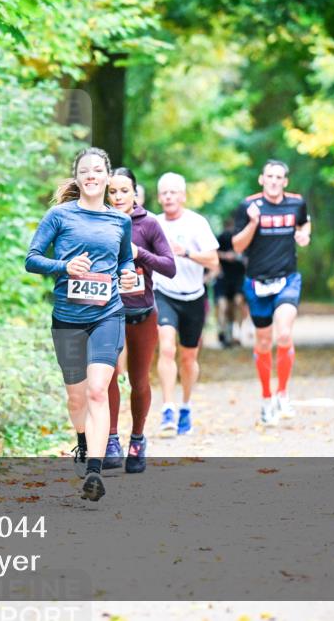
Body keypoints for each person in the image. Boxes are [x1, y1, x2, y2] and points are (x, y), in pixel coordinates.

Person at [25, 147, 138, 501]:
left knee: (97, 391)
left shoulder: (120, 221)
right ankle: (82, 442)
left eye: (97, 170)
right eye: (84, 171)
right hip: (68, 317)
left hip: (108, 314)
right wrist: (64, 267)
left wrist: (129, 276)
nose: (91, 176)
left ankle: (94, 470)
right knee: (76, 400)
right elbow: (32, 259)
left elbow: (126, 262)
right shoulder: (60, 216)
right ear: (78, 178)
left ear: (107, 177)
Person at [104, 168, 176, 473]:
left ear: (135, 193)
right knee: (107, 374)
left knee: (139, 380)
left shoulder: (148, 224)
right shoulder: (97, 222)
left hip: (142, 314)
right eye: (113, 192)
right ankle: (109, 440)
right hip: (107, 313)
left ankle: (137, 438)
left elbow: (170, 266)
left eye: (124, 191)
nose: (119, 197)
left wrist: (139, 254)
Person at [232, 159, 311, 427]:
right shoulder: (248, 206)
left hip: (288, 278)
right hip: (257, 283)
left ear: (286, 182)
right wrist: (253, 223)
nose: (274, 181)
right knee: (264, 343)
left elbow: (304, 223)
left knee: (285, 333)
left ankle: (283, 393)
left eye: (279, 177)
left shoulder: (296, 203)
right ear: (261, 179)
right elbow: (237, 246)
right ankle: (267, 398)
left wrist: (304, 235)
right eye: (270, 176)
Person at [151, 172, 220, 436]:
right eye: (164, 193)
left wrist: (186, 253)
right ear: (159, 198)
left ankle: (186, 406)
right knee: (166, 348)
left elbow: (214, 261)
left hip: (193, 296)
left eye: (173, 192)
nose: (168, 197)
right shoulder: (153, 224)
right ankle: (167, 407)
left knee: (188, 357)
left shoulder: (196, 223)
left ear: (183, 196)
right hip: (164, 293)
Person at [214, 216, 248, 348]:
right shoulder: (221, 238)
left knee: (238, 303)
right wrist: (225, 256)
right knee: (223, 306)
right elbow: (213, 253)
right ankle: (223, 332)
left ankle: (237, 333)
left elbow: (248, 256)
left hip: (238, 276)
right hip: (223, 277)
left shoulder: (243, 237)